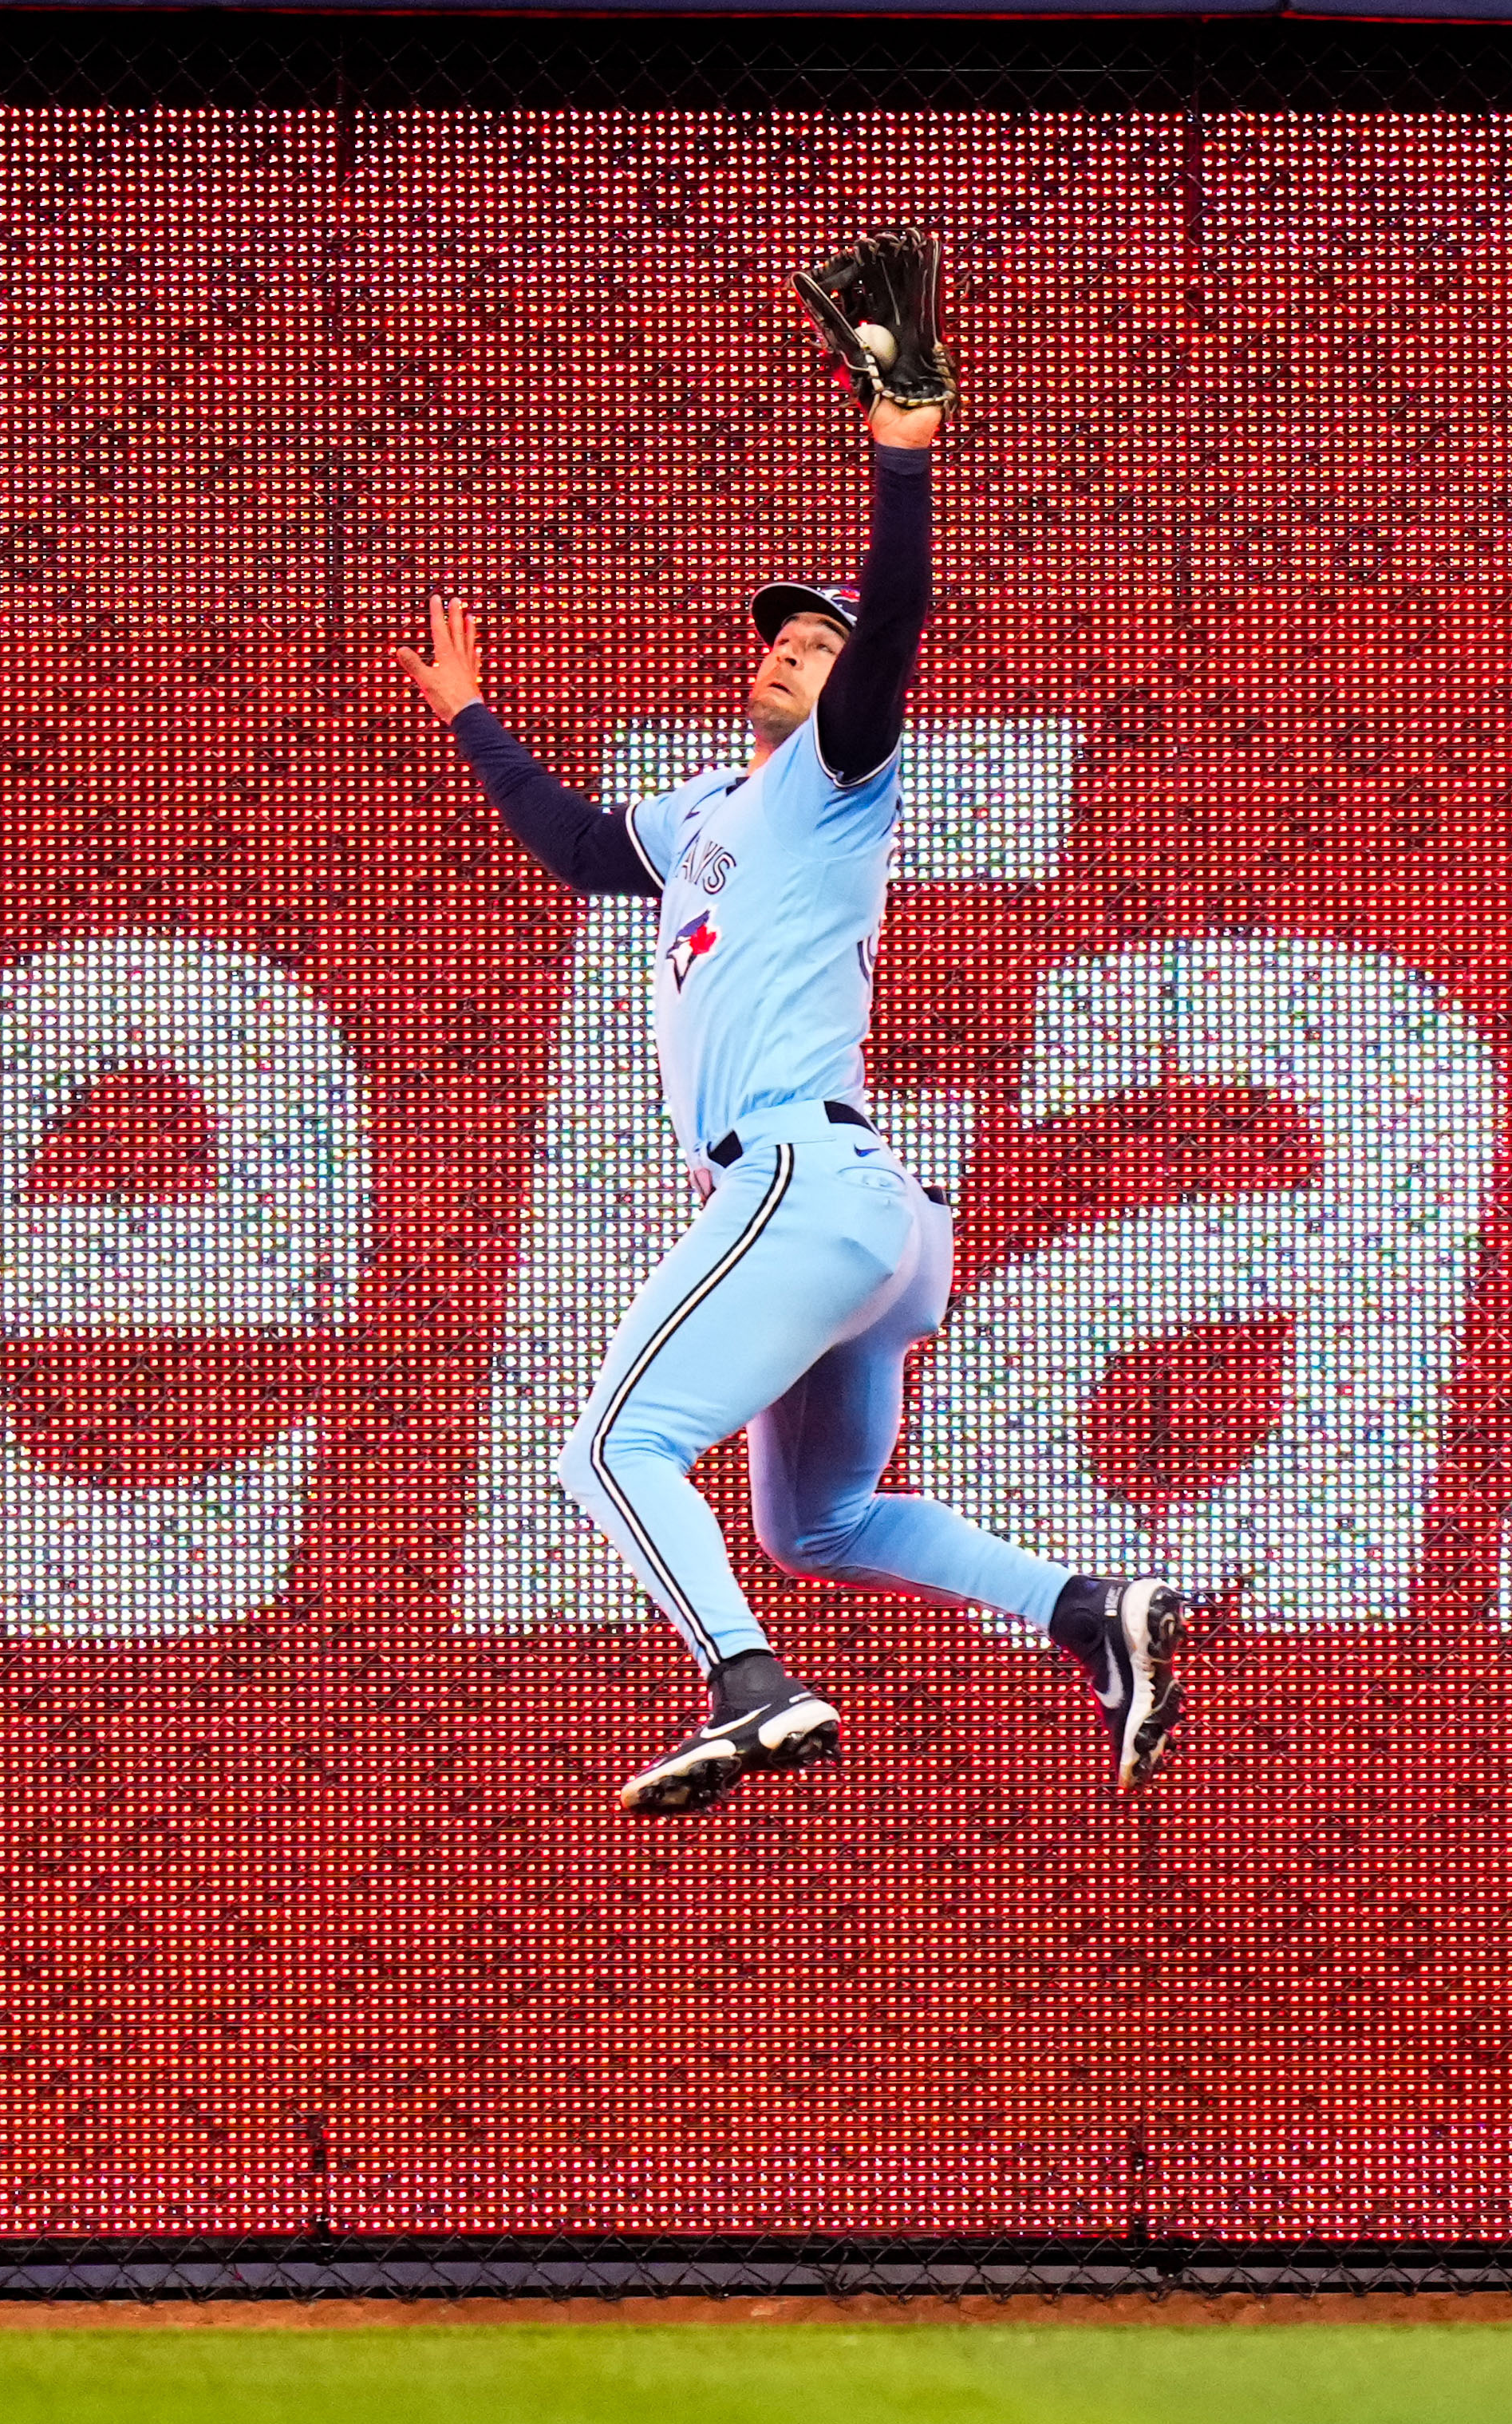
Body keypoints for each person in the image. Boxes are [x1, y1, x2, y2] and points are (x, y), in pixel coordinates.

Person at [389, 382, 1186, 1815]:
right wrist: (472, 717)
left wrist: (903, 449)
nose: (795, 655)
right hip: (859, 1218)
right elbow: (575, 843)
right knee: (814, 1519)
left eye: (819, 647)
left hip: (801, 1182)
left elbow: (892, 628)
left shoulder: (836, 777)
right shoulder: (705, 810)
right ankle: (1086, 1609)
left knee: (610, 1447)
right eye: (785, 637)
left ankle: (750, 1685)